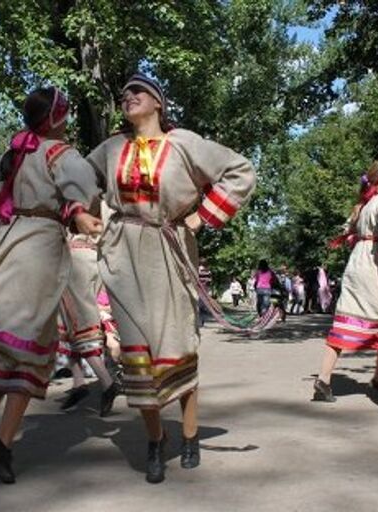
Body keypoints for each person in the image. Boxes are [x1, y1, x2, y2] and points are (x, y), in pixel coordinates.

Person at [81, 73, 256, 483]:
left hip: (169, 247)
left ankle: (191, 435)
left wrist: (201, 217)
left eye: (137, 92)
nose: (128, 98)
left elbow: (240, 170)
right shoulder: (109, 149)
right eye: (123, 94)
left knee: (176, 345)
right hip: (121, 252)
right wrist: (81, 212)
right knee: (135, 353)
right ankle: (156, 439)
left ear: (158, 102)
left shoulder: (184, 143)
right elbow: (78, 183)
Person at [0, 86, 102, 484]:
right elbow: (82, 196)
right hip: (42, 248)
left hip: (7, 242)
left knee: (12, 332)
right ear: (59, 119)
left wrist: (4, 218)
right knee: (33, 342)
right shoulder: (61, 154)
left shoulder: (15, 151)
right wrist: (78, 214)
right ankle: (3, 441)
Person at [313, 160, 378, 403]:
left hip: (358, 263)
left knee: (346, 320)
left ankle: (324, 378)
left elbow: (348, 228)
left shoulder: (365, 205)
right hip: (377, 266)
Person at [56, 232, 119, 416]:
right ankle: (78, 383)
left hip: (73, 256)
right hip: (95, 256)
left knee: (77, 324)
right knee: (70, 325)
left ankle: (107, 383)